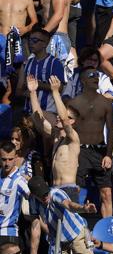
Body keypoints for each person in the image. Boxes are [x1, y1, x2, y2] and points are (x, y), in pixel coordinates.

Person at [66, 67, 113, 217]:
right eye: (91, 78)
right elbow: (68, 128)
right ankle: (78, 231)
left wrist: (108, 155)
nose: (95, 81)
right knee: (77, 193)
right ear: (83, 81)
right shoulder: (74, 102)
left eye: (96, 79)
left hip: (100, 151)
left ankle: (107, 233)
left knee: (106, 193)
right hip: (80, 151)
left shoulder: (106, 103)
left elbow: (111, 130)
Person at [27, 74, 80, 202]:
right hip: (54, 188)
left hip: (68, 189)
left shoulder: (73, 138)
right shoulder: (55, 136)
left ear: (72, 121)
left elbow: (64, 119)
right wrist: (33, 92)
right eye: (57, 114)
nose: (58, 117)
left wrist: (55, 92)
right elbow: (37, 119)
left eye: (64, 116)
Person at [27, 175, 97, 254]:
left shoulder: (56, 193)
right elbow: (35, 227)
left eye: (46, 193)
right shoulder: (32, 201)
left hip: (76, 234)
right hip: (59, 241)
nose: (45, 197)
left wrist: (83, 208)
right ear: (34, 195)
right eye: (41, 195)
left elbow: (69, 205)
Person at [19, 27, 65, 115]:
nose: (31, 43)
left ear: (45, 43)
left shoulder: (55, 63)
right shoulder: (27, 63)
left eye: (35, 40)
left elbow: (59, 88)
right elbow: (19, 90)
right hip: (28, 112)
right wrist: (26, 91)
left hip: (48, 112)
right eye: (30, 40)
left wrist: (36, 85)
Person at [42, 0, 75, 67]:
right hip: (60, 37)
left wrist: (43, 33)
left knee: (51, 75)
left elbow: (58, 14)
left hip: (56, 37)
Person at [0, 142, 30, 244]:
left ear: (16, 157)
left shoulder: (20, 180)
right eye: (4, 159)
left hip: (8, 233)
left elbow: (33, 196)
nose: (7, 163)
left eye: (10, 159)